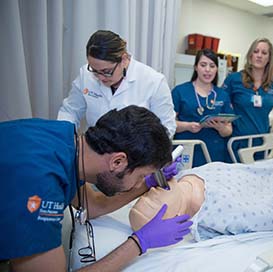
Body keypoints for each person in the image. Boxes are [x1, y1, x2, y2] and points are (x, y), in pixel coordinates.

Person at [0, 106, 192, 271]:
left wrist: (147, 184)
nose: (138, 183)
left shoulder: (66, 141)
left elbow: (92, 205)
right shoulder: (40, 183)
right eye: (141, 176)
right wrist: (139, 243)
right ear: (118, 161)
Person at [129, 136, 273, 241]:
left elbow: (252, 169)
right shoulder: (217, 214)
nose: (151, 191)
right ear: (176, 217)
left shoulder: (186, 175)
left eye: (144, 195)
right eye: (151, 202)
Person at [57, 30, 176, 137]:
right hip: (96, 150)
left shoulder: (153, 81)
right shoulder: (86, 76)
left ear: (123, 60)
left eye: (106, 72)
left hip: (134, 156)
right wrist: (64, 136)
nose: (100, 77)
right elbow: (70, 111)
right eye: (94, 70)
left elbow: (166, 128)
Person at [172, 49, 234, 167]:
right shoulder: (180, 91)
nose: (207, 70)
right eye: (203, 65)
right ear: (196, 67)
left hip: (214, 153)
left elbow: (228, 131)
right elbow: (169, 124)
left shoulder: (222, 95)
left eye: (212, 66)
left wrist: (221, 128)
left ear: (217, 69)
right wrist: (188, 126)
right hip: (187, 151)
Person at [222, 38, 273, 161]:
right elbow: (221, 106)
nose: (259, 56)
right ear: (250, 55)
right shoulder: (234, 79)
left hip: (262, 142)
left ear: (269, 58)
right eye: (256, 51)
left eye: (264, 53)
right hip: (237, 141)